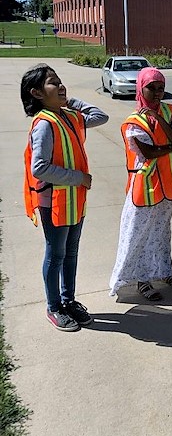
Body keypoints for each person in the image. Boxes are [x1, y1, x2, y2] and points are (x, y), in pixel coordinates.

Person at [21, 63, 109, 332]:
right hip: (55, 200)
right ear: (36, 93)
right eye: (52, 83)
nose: (60, 86)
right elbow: (39, 168)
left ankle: (68, 300)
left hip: (75, 199)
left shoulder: (70, 117)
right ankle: (54, 306)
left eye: (60, 82)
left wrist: (68, 100)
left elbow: (100, 115)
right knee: (56, 253)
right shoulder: (44, 124)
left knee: (71, 252)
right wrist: (78, 177)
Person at [109, 67, 172, 301]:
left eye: (160, 88)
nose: (156, 93)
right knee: (138, 234)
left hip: (168, 184)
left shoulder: (171, 112)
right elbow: (149, 153)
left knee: (162, 231)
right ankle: (141, 280)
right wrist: (170, 146)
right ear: (140, 89)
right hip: (144, 186)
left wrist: (159, 120)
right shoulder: (133, 121)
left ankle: (164, 271)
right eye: (151, 88)